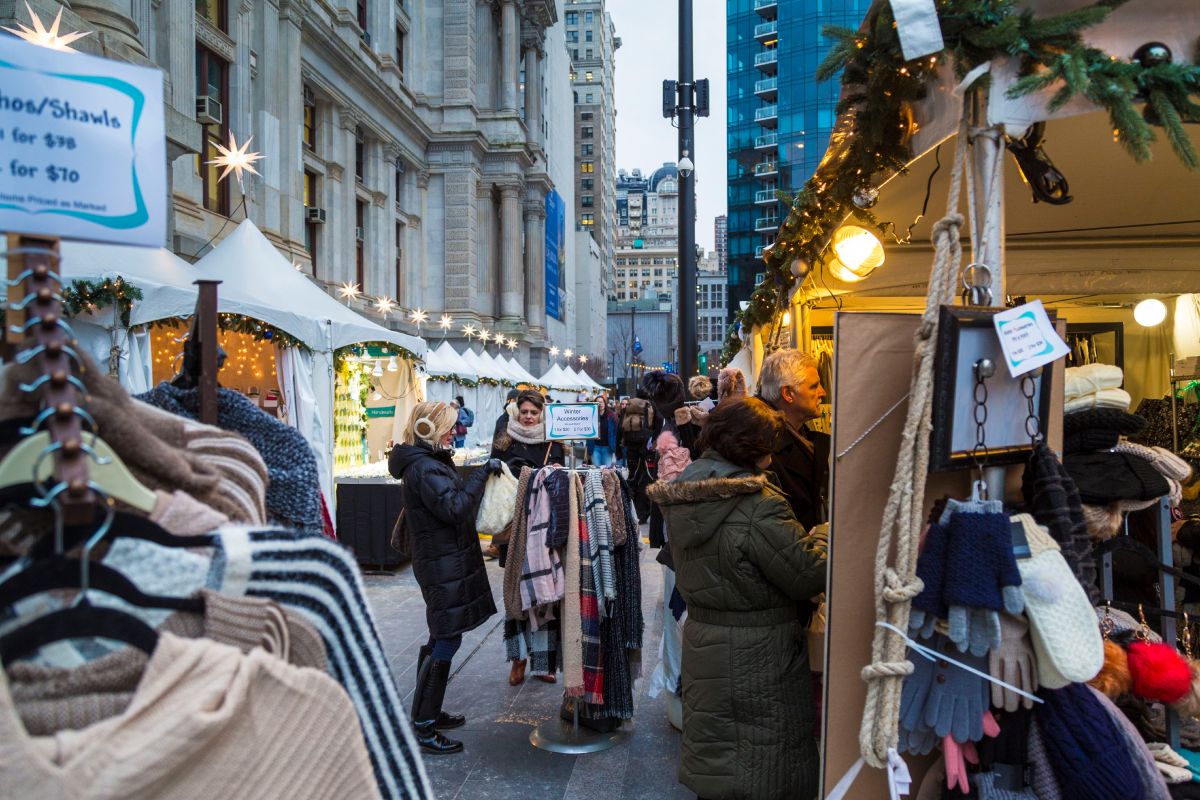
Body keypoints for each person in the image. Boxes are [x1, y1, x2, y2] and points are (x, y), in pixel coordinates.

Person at [647, 397, 827, 800]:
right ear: (755, 447)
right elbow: (806, 573)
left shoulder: (686, 489)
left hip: (705, 642)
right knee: (762, 767)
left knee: (717, 756)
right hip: (760, 655)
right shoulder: (757, 505)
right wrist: (826, 536)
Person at [388, 401, 504, 755]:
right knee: (446, 639)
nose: (455, 431)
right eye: (449, 427)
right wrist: (482, 474)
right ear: (428, 429)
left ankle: (428, 713)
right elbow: (455, 508)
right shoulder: (425, 468)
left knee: (442, 635)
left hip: (442, 560)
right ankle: (424, 724)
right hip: (441, 563)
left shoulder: (427, 463)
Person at [483, 390, 565, 567]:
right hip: (512, 511)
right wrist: (507, 467)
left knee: (539, 564)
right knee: (515, 566)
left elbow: (560, 479)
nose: (528, 416)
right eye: (524, 412)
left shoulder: (553, 441)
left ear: (541, 414)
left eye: (534, 413)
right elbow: (493, 469)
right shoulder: (505, 437)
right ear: (517, 411)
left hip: (541, 510)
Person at [758, 349, 830, 531]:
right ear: (788, 394)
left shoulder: (801, 436)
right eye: (814, 386)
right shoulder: (763, 451)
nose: (823, 392)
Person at [619, 388, 656, 522]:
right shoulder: (651, 406)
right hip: (646, 449)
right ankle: (643, 514)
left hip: (630, 448)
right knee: (645, 480)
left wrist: (619, 448)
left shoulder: (628, 407)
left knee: (632, 479)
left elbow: (620, 427)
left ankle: (630, 511)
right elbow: (655, 428)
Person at [588, 395, 618, 467]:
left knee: (606, 470)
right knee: (596, 470)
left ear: (605, 403)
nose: (600, 404)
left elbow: (615, 432)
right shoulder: (591, 416)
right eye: (598, 402)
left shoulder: (611, 416)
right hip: (595, 447)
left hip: (607, 447)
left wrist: (614, 444)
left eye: (601, 402)